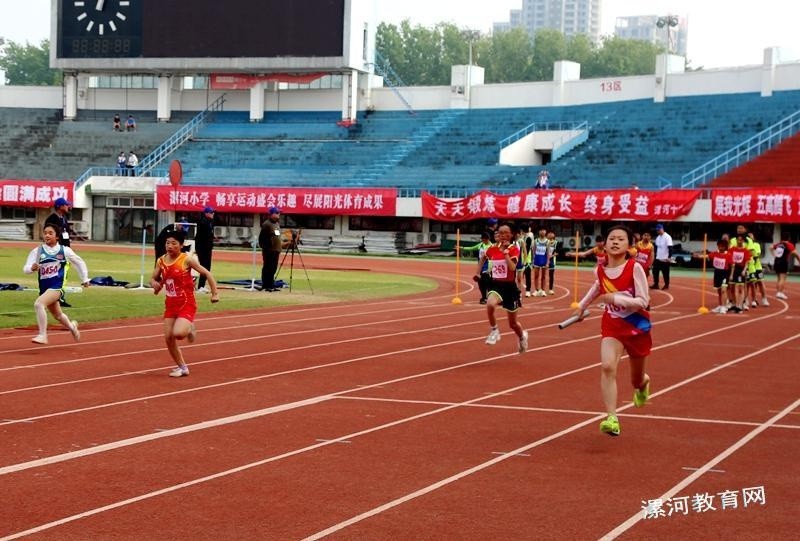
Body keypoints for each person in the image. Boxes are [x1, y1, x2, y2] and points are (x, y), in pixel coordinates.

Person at [572, 225, 651, 436]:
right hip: (612, 324)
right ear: (604, 244)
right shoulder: (600, 269)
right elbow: (598, 287)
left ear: (629, 246)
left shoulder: (634, 268)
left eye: (621, 239)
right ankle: (612, 418)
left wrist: (616, 298)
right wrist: (582, 307)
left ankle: (643, 384)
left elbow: (643, 301)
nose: (615, 242)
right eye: (612, 238)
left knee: (636, 379)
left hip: (636, 325)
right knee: (607, 366)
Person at [150, 228, 219, 377]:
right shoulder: (161, 260)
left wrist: (215, 293)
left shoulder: (186, 259)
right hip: (170, 304)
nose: (169, 246)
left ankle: (189, 327)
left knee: (179, 334)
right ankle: (182, 367)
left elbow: (206, 273)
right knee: (168, 338)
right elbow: (154, 278)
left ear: (181, 245)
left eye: (174, 243)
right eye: (167, 243)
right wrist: (153, 284)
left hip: (186, 302)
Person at [23, 223, 90, 345]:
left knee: (39, 304)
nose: (47, 235)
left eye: (50, 233)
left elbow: (79, 262)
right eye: (45, 233)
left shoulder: (65, 251)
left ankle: (43, 335)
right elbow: (25, 269)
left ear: (57, 236)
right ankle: (72, 327)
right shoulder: (37, 251)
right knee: (58, 315)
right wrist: (32, 268)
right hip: (45, 288)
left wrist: (85, 278)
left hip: (58, 287)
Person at [474, 222, 528, 354]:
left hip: (510, 288)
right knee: (490, 304)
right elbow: (482, 258)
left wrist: (506, 253)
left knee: (513, 324)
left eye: (506, 233)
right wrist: (477, 272)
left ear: (511, 235)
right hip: (496, 285)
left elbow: (512, 268)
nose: (503, 235)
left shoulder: (514, 249)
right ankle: (494, 330)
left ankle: (522, 337)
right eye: (500, 233)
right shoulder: (492, 248)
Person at [45, 197, 74, 307]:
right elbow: (49, 235)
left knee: (62, 276)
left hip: (64, 250)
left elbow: (65, 235)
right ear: (60, 206)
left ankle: (57, 298)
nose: (68, 207)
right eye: (66, 205)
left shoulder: (63, 218)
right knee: (56, 276)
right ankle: (56, 298)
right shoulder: (52, 219)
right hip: (56, 251)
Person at [692, 238, 733, 313]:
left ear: (725, 247)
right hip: (717, 274)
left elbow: (732, 265)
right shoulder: (715, 254)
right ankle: (720, 305)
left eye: (722, 246)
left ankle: (724, 307)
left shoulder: (728, 255)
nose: (721, 248)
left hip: (725, 274)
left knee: (724, 290)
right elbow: (706, 256)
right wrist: (697, 256)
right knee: (719, 291)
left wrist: (731, 275)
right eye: (719, 246)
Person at [258, 206, 287, 292]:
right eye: (277, 213)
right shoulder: (266, 224)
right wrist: (266, 247)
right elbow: (262, 238)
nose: (279, 215)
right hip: (269, 250)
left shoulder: (276, 224)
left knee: (273, 268)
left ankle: (271, 284)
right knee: (267, 267)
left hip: (276, 250)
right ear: (272, 214)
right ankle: (265, 285)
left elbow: (277, 236)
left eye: (279, 213)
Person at [463, 231, 493, 304]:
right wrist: (462, 248)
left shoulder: (491, 246)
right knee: (480, 283)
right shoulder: (481, 245)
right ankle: (484, 297)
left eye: (485, 239)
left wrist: (490, 269)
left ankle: (491, 297)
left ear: (488, 239)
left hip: (487, 266)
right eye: (482, 239)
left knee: (487, 282)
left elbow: (492, 258)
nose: (483, 241)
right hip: (480, 266)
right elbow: (472, 248)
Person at [770, 232, 799, 300]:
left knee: (779, 279)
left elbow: (771, 247)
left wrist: (773, 255)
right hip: (783, 262)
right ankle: (779, 292)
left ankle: (779, 292)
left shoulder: (779, 244)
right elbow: (795, 253)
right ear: (789, 238)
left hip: (776, 262)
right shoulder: (789, 244)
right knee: (783, 278)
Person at [194, 207, 215, 292]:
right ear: (206, 213)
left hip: (207, 248)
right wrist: (198, 248)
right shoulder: (203, 222)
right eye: (211, 212)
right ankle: (200, 286)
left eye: (213, 212)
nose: (213, 214)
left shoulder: (210, 222)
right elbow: (200, 237)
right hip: (203, 248)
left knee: (207, 267)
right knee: (204, 267)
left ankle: (202, 285)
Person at [651, 223, 673, 290]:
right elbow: (656, 247)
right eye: (657, 230)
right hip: (658, 258)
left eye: (659, 230)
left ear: (662, 229)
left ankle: (666, 285)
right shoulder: (658, 237)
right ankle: (656, 284)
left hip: (665, 259)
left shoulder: (667, 237)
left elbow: (670, 248)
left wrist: (669, 257)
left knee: (665, 273)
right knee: (655, 271)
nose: (657, 231)